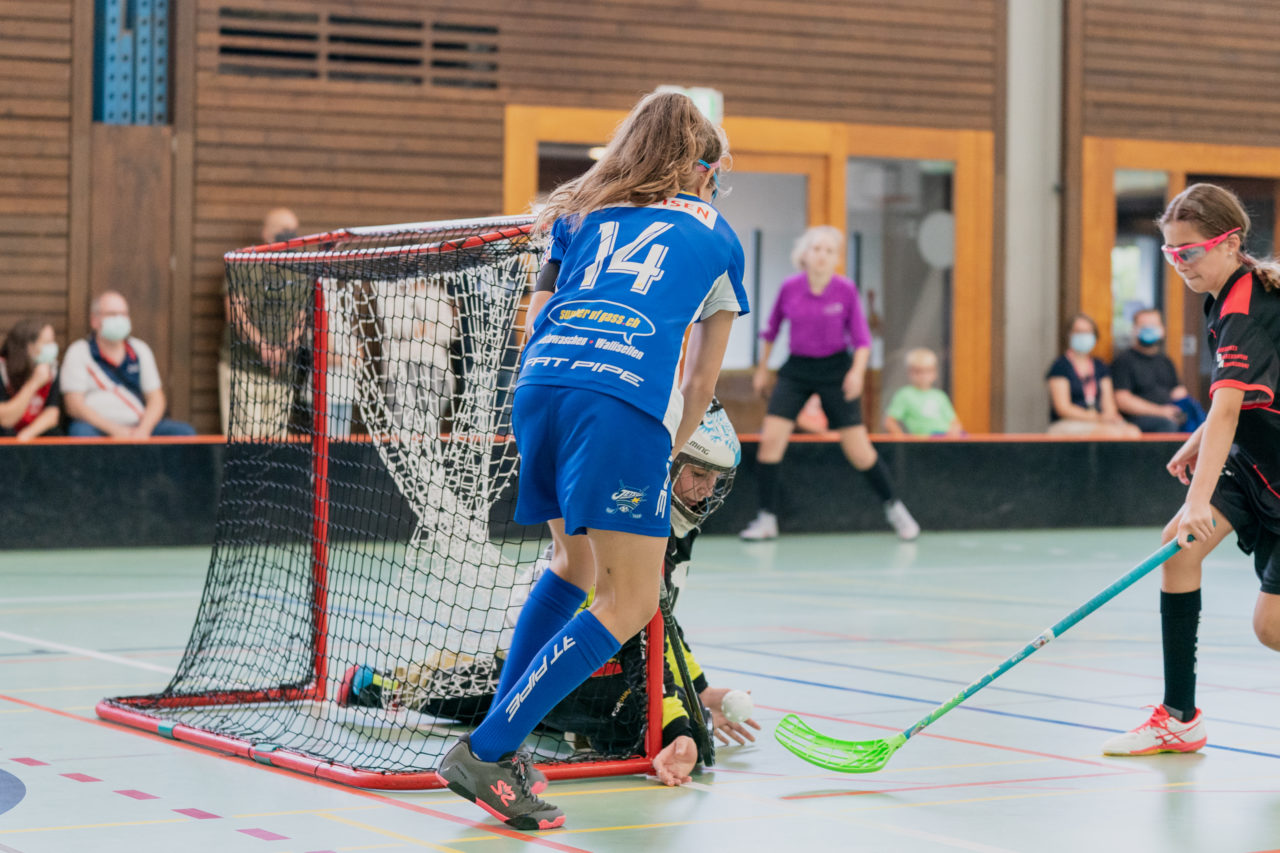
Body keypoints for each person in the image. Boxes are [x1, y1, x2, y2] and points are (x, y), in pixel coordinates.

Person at [435, 89, 747, 831]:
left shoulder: (581, 211)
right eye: (714, 171)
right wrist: (663, 447)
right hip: (618, 402)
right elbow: (701, 382)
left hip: (540, 386)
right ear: (698, 169)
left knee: (572, 570)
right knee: (630, 599)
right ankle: (488, 747)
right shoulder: (717, 235)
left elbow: (538, 317)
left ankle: (498, 747)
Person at [338, 403, 759, 786]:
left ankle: (390, 685)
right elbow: (638, 643)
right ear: (665, 467)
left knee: (512, 704)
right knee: (488, 698)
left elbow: (662, 624)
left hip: (595, 670)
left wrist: (698, 688)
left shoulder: (675, 528)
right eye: (699, 474)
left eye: (716, 479)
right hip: (555, 658)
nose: (707, 490)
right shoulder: (630, 528)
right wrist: (682, 722)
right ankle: (381, 685)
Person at [1102, 183, 1280, 756]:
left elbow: (1229, 405)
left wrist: (1199, 500)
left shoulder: (1246, 309)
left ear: (1230, 244)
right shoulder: (1225, 294)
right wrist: (1195, 441)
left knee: (1271, 628)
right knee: (1178, 550)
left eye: (1189, 252)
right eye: (1169, 254)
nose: (1180, 265)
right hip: (1259, 467)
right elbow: (1243, 400)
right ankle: (1179, 718)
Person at [739, 225, 920, 541]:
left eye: (828, 251)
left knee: (859, 450)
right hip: (796, 370)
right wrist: (763, 370)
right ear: (804, 255)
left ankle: (896, 509)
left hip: (837, 369)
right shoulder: (790, 287)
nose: (822, 256)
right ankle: (766, 518)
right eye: (816, 249)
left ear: (835, 258)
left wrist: (856, 373)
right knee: (770, 443)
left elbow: (862, 340)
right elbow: (770, 331)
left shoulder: (846, 290)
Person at [221, 207, 308, 439]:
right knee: (246, 442)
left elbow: (302, 317)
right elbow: (236, 313)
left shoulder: (301, 269)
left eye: (293, 230)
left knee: (277, 441)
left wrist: (284, 350)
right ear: (266, 233)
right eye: (283, 230)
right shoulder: (243, 262)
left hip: (282, 371)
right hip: (243, 369)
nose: (290, 235)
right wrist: (264, 348)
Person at [59, 292, 195, 438]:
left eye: (123, 314)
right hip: (96, 427)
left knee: (184, 432)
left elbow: (156, 398)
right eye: (112, 314)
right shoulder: (79, 351)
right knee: (80, 433)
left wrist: (144, 429)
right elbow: (74, 405)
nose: (119, 319)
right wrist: (115, 430)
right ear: (95, 320)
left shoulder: (140, 349)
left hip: (139, 426)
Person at [1044, 313, 1140, 437]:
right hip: (1069, 422)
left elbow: (1109, 404)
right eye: (1078, 331)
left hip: (1100, 421)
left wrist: (1108, 416)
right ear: (1069, 335)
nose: (1083, 336)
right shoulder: (1060, 366)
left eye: (1088, 332)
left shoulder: (1100, 366)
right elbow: (1063, 408)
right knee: (1109, 433)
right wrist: (1097, 417)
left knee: (1132, 432)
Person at [1111, 307, 1205, 433]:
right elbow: (1123, 400)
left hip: (1170, 413)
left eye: (1153, 325)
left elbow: (1178, 391)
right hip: (1139, 419)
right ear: (1134, 329)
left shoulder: (1165, 361)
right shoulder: (1123, 361)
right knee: (1168, 425)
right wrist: (1161, 412)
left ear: (1162, 330)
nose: (1149, 329)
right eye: (1144, 325)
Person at [0, 319, 62, 440]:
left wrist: (27, 435)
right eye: (47, 343)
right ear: (28, 346)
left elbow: (52, 413)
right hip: (6, 435)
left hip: (30, 434)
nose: (53, 348)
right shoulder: (2, 370)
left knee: (54, 433)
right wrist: (34, 383)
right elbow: (5, 419)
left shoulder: (52, 369)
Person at [883, 347, 963, 437]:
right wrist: (903, 441)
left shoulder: (940, 396)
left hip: (948, 440)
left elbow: (955, 422)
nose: (923, 376)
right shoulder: (905, 395)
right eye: (918, 371)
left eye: (928, 370)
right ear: (910, 372)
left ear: (935, 372)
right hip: (926, 443)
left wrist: (953, 434)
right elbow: (889, 422)